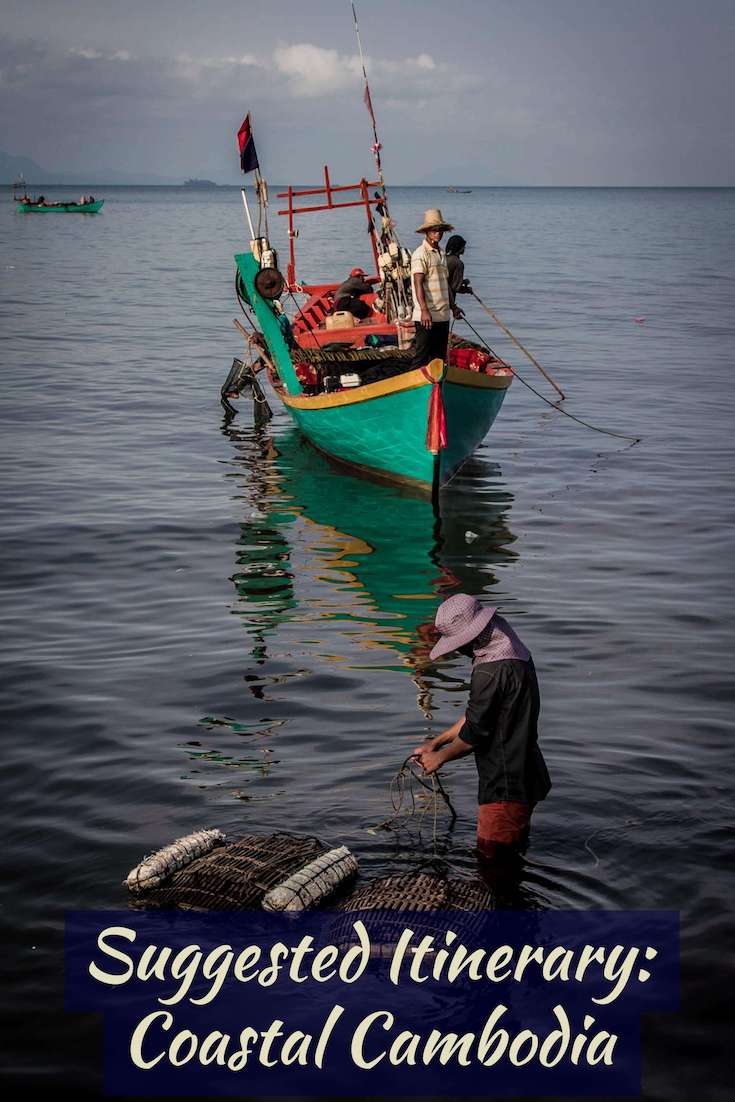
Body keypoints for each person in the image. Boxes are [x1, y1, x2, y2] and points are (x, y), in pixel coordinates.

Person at [413, 593, 551, 858]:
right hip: (526, 773)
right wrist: (436, 742)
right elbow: (479, 713)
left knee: (493, 862)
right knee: (513, 856)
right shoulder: (514, 653)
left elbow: (476, 731)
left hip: (505, 785)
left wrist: (440, 758)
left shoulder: (491, 670)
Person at [409, 209, 463, 369]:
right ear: (426, 232)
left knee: (439, 358)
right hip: (427, 316)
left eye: (440, 230)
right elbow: (418, 283)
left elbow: (445, 284)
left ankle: (436, 390)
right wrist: (424, 310)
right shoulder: (421, 254)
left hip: (442, 315)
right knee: (421, 356)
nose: (437, 233)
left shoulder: (440, 253)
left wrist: (453, 307)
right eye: (433, 230)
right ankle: (413, 389)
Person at [445, 234, 472, 314]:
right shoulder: (458, 263)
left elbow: (448, 280)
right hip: (447, 301)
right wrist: (467, 290)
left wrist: (462, 281)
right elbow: (455, 287)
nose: (464, 248)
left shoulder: (443, 258)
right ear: (459, 248)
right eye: (463, 246)